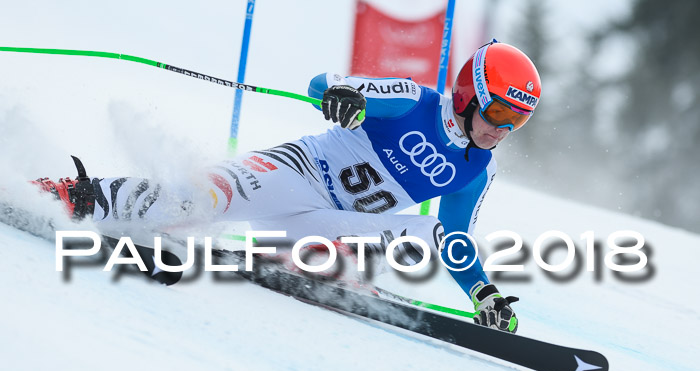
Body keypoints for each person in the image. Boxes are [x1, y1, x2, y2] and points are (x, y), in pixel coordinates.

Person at [33, 39, 541, 334]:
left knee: (426, 232)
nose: (502, 128)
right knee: (197, 198)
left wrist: (483, 293)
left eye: (516, 121)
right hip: (295, 175)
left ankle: (318, 261)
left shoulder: (478, 169)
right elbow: (323, 83)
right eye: (498, 111)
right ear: (470, 92)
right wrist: (342, 97)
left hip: (324, 223)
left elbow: (451, 237)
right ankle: (74, 195)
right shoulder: (413, 100)